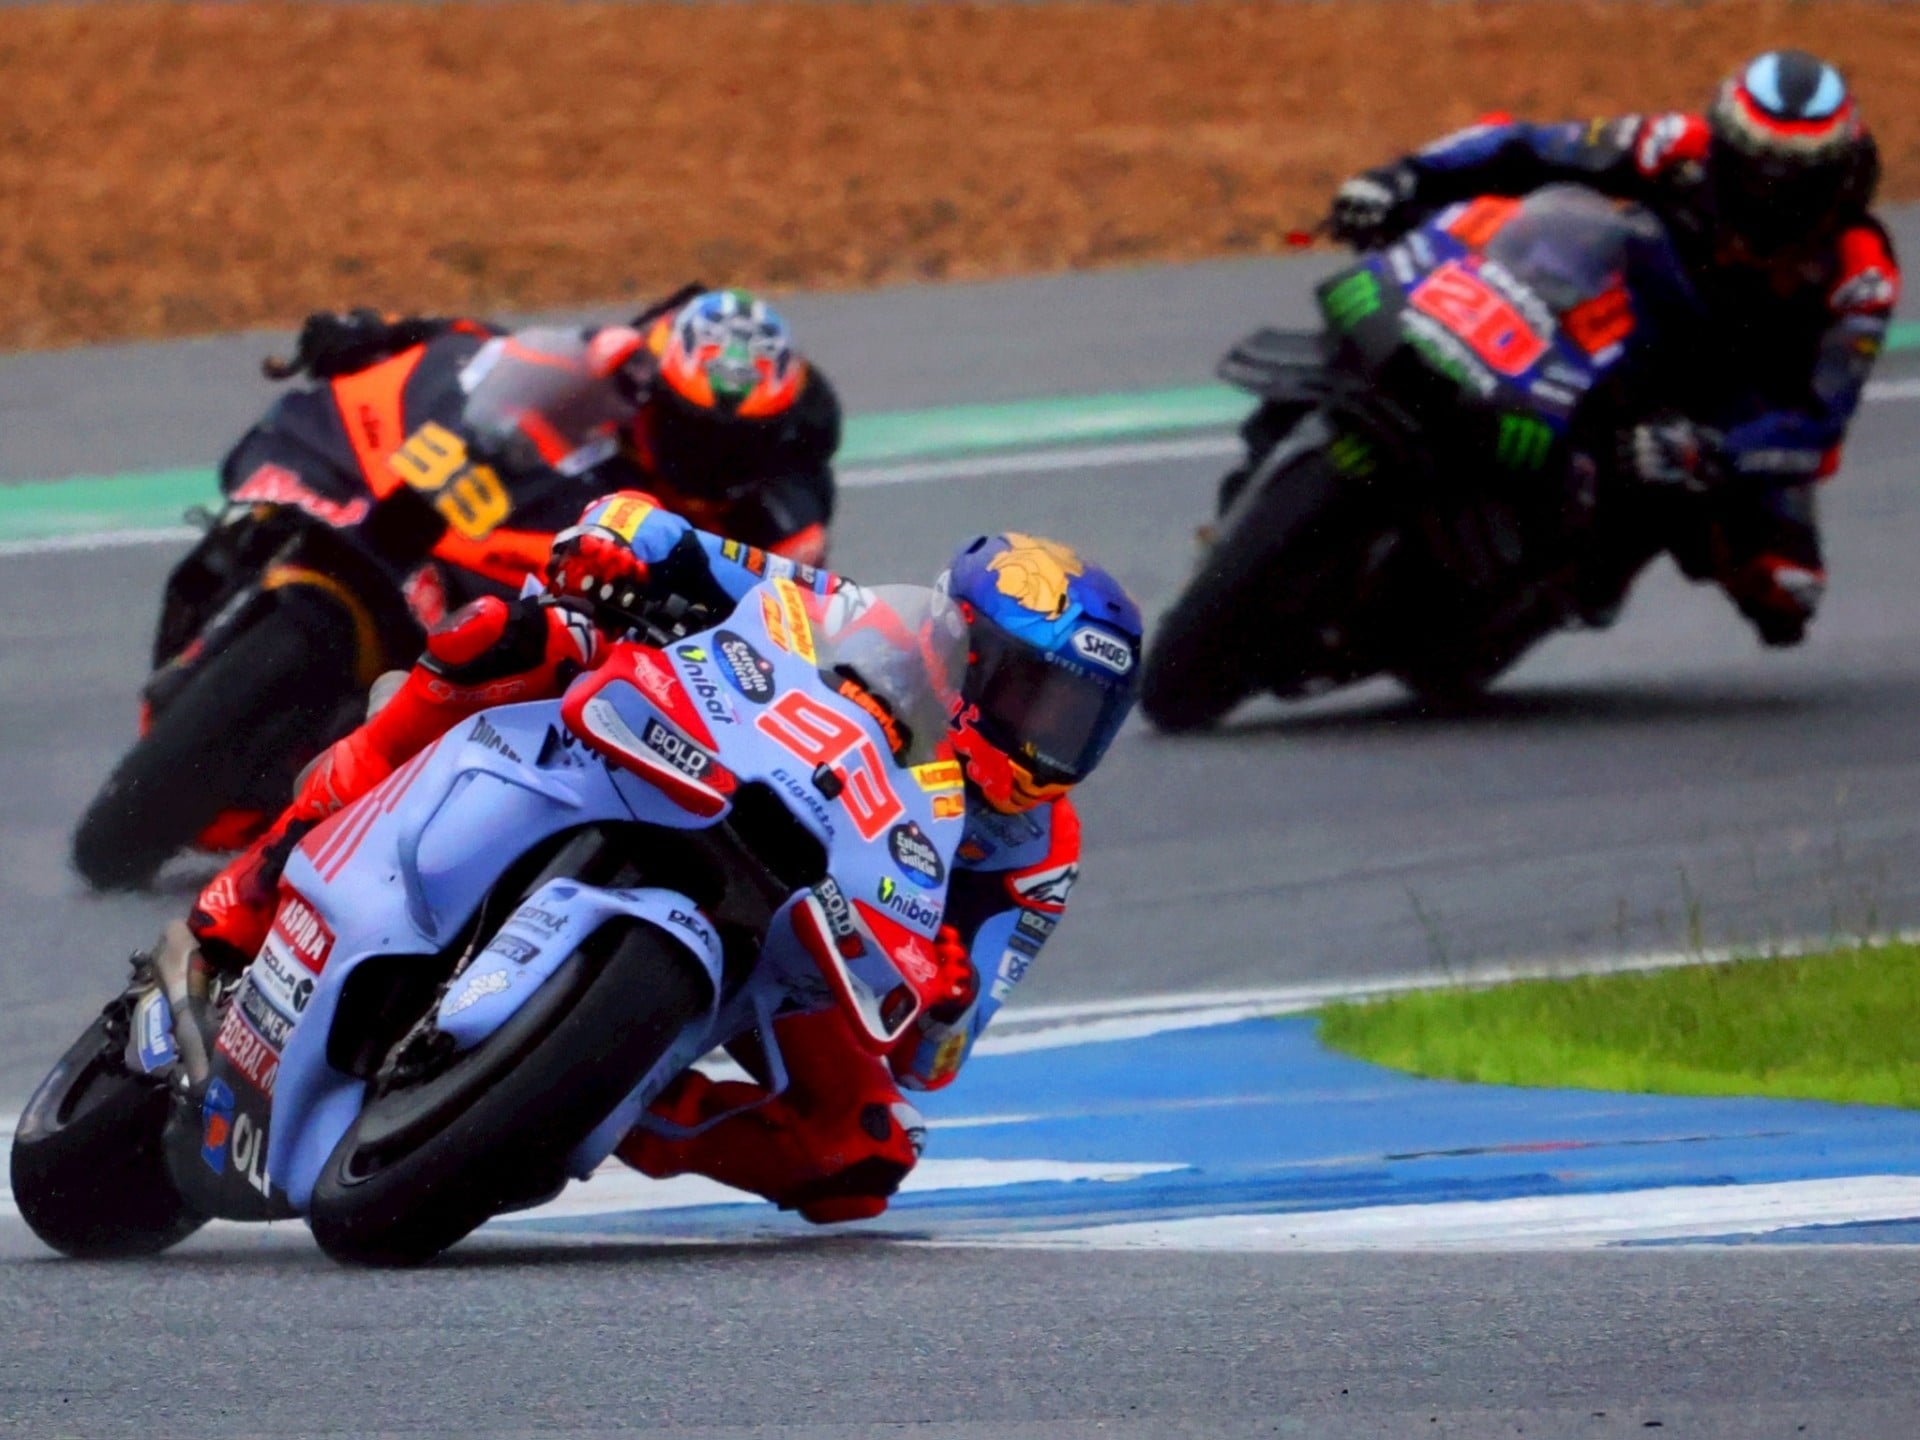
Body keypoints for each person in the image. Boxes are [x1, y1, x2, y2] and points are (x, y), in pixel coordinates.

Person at [177, 493, 1143, 1224]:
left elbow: (935, 1062)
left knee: (864, 1154)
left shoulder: (1038, 850)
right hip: (674, 751)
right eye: (1036, 698)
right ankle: (255, 889)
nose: (1049, 740)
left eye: (1079, 720)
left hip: (809, 937)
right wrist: (619, 546)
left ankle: (600, 1102)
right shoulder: (851, 616)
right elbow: (665, 537)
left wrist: (945, 998)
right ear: (966, 653)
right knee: (506, 637)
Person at [1325, 49, 1900, 646]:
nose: (1770, 190)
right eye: (1755, 166)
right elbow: (1529, 146)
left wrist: (1716, 453)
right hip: (1624, 316)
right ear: (1725, 146)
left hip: (1724, 404)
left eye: (1794, 175)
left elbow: (1818, 422)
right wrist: (1403, 176)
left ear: (1836, 173)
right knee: (1507, 229)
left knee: (1785, 590)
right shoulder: (1676, 146)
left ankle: (1580, 574)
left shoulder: (1860, 273)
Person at [270, 285, 841, 564]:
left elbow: (790, 642)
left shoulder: (788, 521)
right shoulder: (617, 363)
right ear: (656, 392)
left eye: (735, 445)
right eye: (693, 430)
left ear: (777, 435)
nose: (709, 458)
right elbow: (500, 353)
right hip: (518, 520)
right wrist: (384, 333)